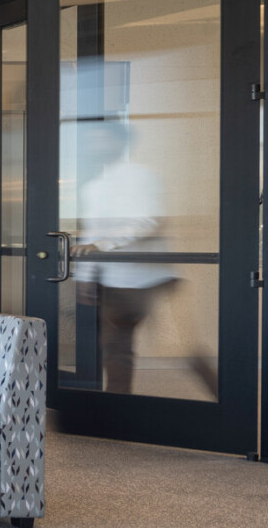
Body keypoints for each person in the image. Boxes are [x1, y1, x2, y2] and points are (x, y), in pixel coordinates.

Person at [71, 120, 185, 396]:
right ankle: (118, 412)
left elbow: (150, 221)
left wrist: (104, 244)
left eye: (104, 139)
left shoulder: (140, 176)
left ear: (122, 143)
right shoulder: (93, 187)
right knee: (116, 351)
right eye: (92, 140)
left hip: (153, 280)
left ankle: (231, 411)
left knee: (182, 349)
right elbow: (90, 236)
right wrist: (85, 278)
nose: (97, 145)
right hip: (116, 282)